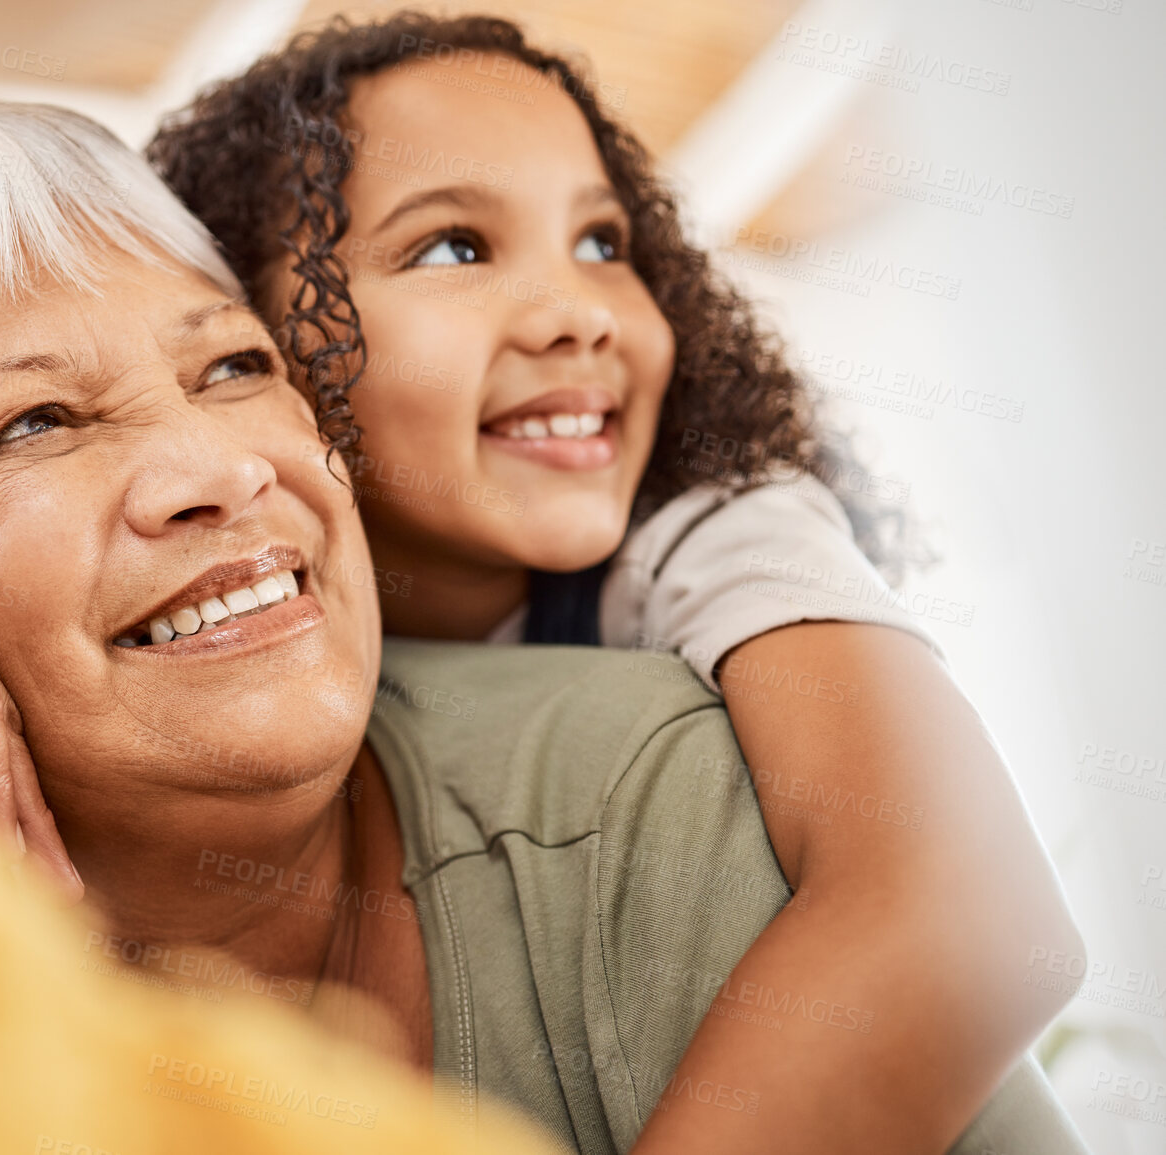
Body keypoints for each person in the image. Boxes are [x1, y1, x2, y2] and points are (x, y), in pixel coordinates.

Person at [0, 94, 1084, 1153]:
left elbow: (963, 914)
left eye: (230, 366)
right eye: (31, 421)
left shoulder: (664, 788)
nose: (226, 467)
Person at [147, 14, 1083, 1153]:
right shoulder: (236, 626)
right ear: (249, 348)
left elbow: (971, 916)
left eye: (604, 243)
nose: (580, 310)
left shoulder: (717, 534)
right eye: (453, 248)